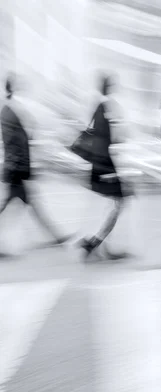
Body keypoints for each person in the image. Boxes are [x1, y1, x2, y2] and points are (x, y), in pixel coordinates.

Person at [0, 73, 71, 249]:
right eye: (18, 84)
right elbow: (17, 143)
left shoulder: (11, 109)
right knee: (29, 205)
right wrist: (25, 168)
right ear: (13, 88)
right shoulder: (10, 110)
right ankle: (56, 237)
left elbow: (22, 139)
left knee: (33, 205)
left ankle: (56, 237)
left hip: (16, 168)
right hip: (16, 169)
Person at [77, 74, 132, 261]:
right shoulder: (110, 107)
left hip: (97, 164)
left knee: (111, 204)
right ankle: (95, 242)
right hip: (106, 164)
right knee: (118, 204)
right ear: (110, 87)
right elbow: (117, 138)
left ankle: (98, 243)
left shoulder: (97, 106)